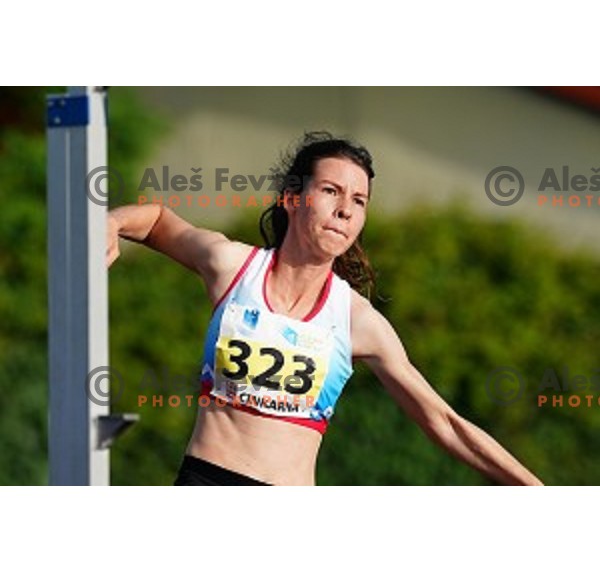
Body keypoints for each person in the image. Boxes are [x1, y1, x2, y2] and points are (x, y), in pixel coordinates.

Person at [106, 131, 543, 486]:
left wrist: (533, 490)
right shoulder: (233, 266)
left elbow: (444, 422)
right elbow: (159, 221)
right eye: (332, 191)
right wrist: (113, 222)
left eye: (358, 201)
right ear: (293, 199)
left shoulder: (358, 322)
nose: (344, 211)